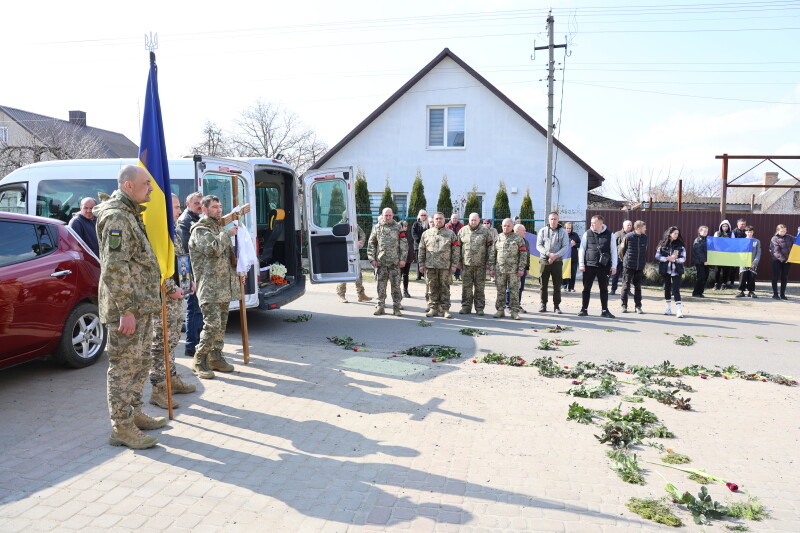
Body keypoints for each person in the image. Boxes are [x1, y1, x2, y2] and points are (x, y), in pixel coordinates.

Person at [93, 164, 165, 450]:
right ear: (128, 185)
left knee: (141, 362)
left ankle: (134, 413)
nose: (151, 188)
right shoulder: (117, 217)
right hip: (127, 309)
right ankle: (121, 427)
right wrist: (126, 310)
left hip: (140, 305)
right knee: (123, 366)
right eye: (146, 183)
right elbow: (114, 266)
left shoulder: (130, 213)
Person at [149, 194, 196, 409]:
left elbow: (179, 261)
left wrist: (188, 281)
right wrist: (170, 288)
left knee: (173, 340)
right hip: (163, 299)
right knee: (160, 344)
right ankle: (158, 389)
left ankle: (172, 378)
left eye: (178, 207)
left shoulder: (174, 231)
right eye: (176, 207)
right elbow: (156, 267)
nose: (179, 211)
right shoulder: (157, 233)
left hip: (177, 296)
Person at [188, 195, 241, 379]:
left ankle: (215, 357)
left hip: (223, 287)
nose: (219, 210)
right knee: (212, 325)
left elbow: (226, 257)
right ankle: (199, 360)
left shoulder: (218, 228)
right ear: (204, 209)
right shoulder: (200, 230)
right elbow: (213, 249)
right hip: (209, 288)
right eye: (214, 207)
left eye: (219, 207)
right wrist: (228, 234)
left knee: (221, 326)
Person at [418, 212, 460, 318]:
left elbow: (456, 251)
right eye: (436, 219)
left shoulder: (451, 234)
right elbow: (421, 250)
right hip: (430, 266)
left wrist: (454, 265)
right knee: (432, 288)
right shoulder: (426, 233)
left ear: (444, 220)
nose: (438, 220)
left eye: (440, 218)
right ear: (433, 220)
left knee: (445, 288)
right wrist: (421, 264)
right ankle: (433, 308)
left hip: (445, 266)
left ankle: (445, 309)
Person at [367, 208, 407, 316]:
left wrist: (403, 259)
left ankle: (396, 307)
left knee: (396, 286)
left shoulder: (398, 227)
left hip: (395, 263)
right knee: (381, 286)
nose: (388, 217)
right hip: (381, 263)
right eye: (386, 215)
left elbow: (404, 244)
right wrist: (372, 259)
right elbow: (371, 244)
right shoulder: (377, 227)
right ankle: (380, 306)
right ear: (382, 215)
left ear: (393, 215)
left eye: (389, 215)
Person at [178, 192, 203, 358]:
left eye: (201, 203)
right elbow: (186, 251)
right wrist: (189, 279)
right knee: (194, 309)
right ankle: (191, 346)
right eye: (196, 203)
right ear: (187, 204)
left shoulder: (196, 218)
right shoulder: (185, 221)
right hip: (188, 270)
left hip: (194, 269)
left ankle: (197, 343)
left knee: (198, 309)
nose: (199, 206)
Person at [577, 215, 617, 318]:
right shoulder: (587, 233)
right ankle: (584, 309)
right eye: (591, 222)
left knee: (604, 289)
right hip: (589, 266)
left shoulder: (610, 234)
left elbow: (614, 251)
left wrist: (614, 266)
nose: (592, 224)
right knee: (586, 288)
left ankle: (604, 311)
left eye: (594, 223)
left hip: (604, 267)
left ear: (600, 223)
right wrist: (581, 264)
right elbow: (582, 249)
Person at [489, 218, 527, 320]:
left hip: (514, 271)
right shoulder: (498, 238)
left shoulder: (518, 239)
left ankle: (514, 311)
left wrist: (521, 268)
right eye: (504, 226)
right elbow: (492, 254)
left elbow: (523, 254)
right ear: (501, 226)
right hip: (500, 270)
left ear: (512, 227)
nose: (506, 228)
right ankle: (500, 310)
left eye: (508, 226)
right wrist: (492, 268)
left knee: (514, 291)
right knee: (500, 290)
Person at [458, 213, 491, 315]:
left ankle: (479, 308)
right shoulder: (462, 231)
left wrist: (489, 262)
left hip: (480, 265)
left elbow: (490, 248)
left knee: (480, 287)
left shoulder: (485, 231)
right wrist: (458, 262)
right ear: (468, 220)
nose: (473, 222)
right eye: (471, 220)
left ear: (479, 220)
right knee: (466, 287)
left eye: (475, 220)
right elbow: (457, 247)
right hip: (466, 265)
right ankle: (466, 307)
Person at [536, 212, 569, 314]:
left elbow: (565, 247)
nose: (553, 221)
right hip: (544, 261)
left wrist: (555, 256)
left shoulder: (563, 232)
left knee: (557, 284)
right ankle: (543, 304)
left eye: (555, 219)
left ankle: (556, 306)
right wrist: (549, 254)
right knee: (543, 284)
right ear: (548, 220)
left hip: (557, 261)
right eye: (551, 219)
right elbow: (539, 245)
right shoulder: (543, 231)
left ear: (558, 220)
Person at [337, 219, 372, 303]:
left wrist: (361, 242)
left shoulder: (355, 225)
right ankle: (341, 295)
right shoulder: (338, 226)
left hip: (354, 253)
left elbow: (362, 234)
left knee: (358, 273)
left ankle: (361, 295)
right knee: (343, 274)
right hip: (342, 253)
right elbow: (336, 239)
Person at [656, 226, 686, 318]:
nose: (676, 235)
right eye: (675, 233)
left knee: (676, 289)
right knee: (667, 288)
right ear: (669, 234)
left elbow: (683, 258)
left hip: (676, 270)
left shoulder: (681, 246)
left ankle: (679, 310)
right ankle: (668, 308)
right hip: (666, 270)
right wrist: (667, 258)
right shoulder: (662, 245)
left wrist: (675, 260)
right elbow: (657, 256)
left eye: (677, 233)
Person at [618, 220, 648, 313]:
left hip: (639, 266)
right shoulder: (628, 237)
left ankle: (638, 306)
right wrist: (625, 260)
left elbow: (644, 250)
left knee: (638, 286)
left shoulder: (645, 237)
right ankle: (624, 306)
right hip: (629, 266)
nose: (646, 229)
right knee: (626, 285)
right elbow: (621, 250)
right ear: (638, 228)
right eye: (644, 227)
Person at [509, 223, 532, 313]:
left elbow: (527, 256)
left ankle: (517, 305)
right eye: (523, 230)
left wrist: (527, 268)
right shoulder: (511, 240)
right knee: (510, 287)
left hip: (522, 268)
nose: (525, 232)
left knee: (520, 287)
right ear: (517, 231)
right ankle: (508, 305)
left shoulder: (525, 241)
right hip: (512, 268)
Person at [735, 225, 761, 298]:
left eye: (751, 232)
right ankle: (741, 291)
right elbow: (739, 252)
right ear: (745, 232)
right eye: (748, 232)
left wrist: (755, 262)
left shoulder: (757, 241)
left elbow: (758, 253)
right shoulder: (742, 241)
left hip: (752, 263)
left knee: (751, 277)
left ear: (753, 232)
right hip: (743, 262)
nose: (749, 233)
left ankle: (751, 291)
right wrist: (741, 261)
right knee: (742, 277)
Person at [770, 224, 793, 300]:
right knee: (775, 277)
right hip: (777, 261)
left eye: (785, 231)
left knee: (784, 277)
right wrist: (784, 259)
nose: (783, 232)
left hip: (787, 261)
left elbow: (797, 242)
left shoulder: (789, 237)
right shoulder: (774, 239)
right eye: (782, 231)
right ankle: (775, 294)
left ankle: (782, 294)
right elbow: (775, 251)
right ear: (778, 231)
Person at [610, 220, 633, 295]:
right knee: (615, 275)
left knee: (627, 275)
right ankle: (613, 289)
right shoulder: (618, 234)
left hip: (628, 258)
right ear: (623, 226)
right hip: (619, 258)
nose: (629, 226)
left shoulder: (633, 234)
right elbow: (612, 245)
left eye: (630, 225)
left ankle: (627, 290)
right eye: (628, 225)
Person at [713, 220, 734, 290]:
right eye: (723, 226)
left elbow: (733, 243)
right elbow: (714, 243)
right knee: (717, 270)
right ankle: (716, 284)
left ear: (729, 227)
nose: (725, 227)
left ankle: (724, 284)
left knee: (726, 270)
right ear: (721, 226)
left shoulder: (731, 234)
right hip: (718, 254)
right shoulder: (717, 233)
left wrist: (728, 250)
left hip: (727, 254)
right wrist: (719, 249)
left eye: (726, 226)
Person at [561, 222, 580, 292]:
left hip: (573, 258)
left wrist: (575, 244)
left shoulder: (575, 235)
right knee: (564, 272)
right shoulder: (562, 235)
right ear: (565, 228)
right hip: (564, 257)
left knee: (573, 273)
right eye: (567, 228)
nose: (568, 230)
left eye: (570, 228)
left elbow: (580, 244)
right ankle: (563, 286)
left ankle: (571, 287)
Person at [691, 226, 710, 298]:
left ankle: (700, 292)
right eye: (704, 231)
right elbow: (699, 252)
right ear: (700, 231)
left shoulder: (708, 240)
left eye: (706, 231)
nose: (705, 233)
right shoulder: (697, 240)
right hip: (699, 262)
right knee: (701, 277)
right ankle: (696, 292)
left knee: (705, 277)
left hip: (707, 262)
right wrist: (704, 261)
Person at [445, 213, 465, 281]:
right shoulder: (446, 226)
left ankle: (457, 276)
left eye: (456, 218)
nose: (454, 219)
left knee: (458, 261)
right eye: (453, 218)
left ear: (458, 219)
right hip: (449, 246)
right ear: (451, 218)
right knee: (448, 260)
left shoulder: (462, 226)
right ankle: (448, 276)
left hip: (458, 246)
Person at [399, 220, 415, 298]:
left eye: (406, 226)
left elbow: (410, 246)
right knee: (399, 275)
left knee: (406, 275)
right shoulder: (398, 234)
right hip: (400, 259)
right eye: (404, 226)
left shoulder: (408, 234)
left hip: (408, 258)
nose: (406, 227)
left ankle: (405, 290)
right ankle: (397, 291)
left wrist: (412, 257)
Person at [412, 210, 429, 280]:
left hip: (427, 246)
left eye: (425, 215)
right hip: (418, 245)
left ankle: (425, 275)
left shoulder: (428, 224)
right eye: (422, 215)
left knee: (427, 260)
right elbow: (414, 234)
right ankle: (418, 275)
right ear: (419, 216)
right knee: (419, 261)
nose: (423, 216)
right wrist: (420, 242)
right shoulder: (415, 224)